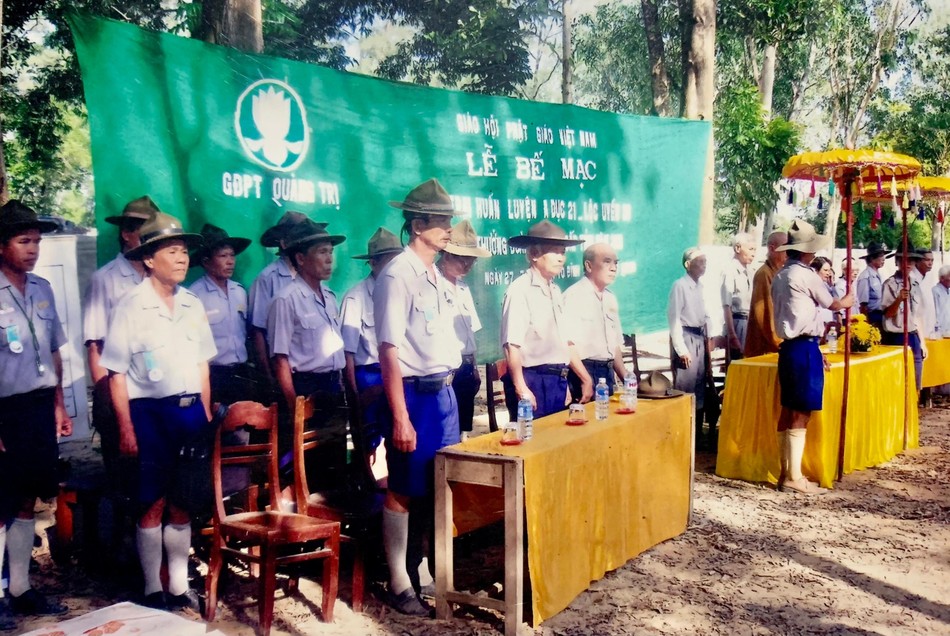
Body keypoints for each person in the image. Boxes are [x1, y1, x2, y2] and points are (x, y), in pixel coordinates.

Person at [99, 210, 215, 611]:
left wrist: (203, 416)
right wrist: (127, 430)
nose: (182, 258)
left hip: (188, 415)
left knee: (183, 502)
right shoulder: (130, 306)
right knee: (151, 501)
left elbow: (203, 364)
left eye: (184, 251)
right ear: (149, 258)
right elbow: (115, 375)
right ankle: (152, 589)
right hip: (148, 416)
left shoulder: (192, 304)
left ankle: (179, 587)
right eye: (172, 251)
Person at [374, 178, 461, 615]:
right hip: (414, 395)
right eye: (441, 220)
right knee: (404, 487)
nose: (449, 227)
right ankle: (398, 581)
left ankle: (426, 571)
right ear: (416, 224)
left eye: (448, 218)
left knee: (437, 484)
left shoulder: (434, 274)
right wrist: (401, 417)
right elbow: (388, 350)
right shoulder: (397, 275)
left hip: (444, 394)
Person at [0, 200, 71, 626]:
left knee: (28, 499)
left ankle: (21, 587)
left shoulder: (42, 288)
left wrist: (60, 404)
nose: (33, 249)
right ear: (1, 246)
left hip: (39, 406)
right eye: (24, 241)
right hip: (4, 410)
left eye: (37, 242)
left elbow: (54, 351)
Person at [771, 220, 853, 495]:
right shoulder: (806, 275)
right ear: (807, 252)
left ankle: (787, 472)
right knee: (800, 412)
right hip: (803, 346)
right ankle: (793, 476)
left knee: (788, 409)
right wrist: (848, 300)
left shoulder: (781, 274)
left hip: (790, 347)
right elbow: (832, 303)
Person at [83, 196, 153, 485]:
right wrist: (106, 399)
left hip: (154, 392)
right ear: (126, 234)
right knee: (124, 478)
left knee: (154, 476)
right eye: (144, 231)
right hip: (119, 392)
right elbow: (94, 343)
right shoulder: (106, 279)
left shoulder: (158, 277)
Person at [266, 220, 347, 448]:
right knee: (309, 462)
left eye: (331, 252)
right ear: (300, 259)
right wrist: (294, 406)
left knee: (335, 457)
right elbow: (280, 359)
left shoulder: (330, 297)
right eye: (322, 252)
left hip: (333, 387)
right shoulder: (285, 299)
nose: (329, 259)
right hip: (305, 388)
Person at [501, 220, 591, 420]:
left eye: (563, 252)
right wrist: (521, 387)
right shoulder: (520, 291)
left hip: (557, 381)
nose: (561, 258)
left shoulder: (555, 291)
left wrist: (583, 379)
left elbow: (565, 343)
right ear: (534, 254)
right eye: (555, 252)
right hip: (533, 381)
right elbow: (511, 345)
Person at [341, 227, 404, 466]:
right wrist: (354, 395)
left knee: (396, 434)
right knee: (367, 437)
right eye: (388, 260)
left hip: (396, 372)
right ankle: (364, 485)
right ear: (373, 263)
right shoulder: (355, 297)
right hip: (367, 376)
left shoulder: (399, 292)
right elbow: (347, 352)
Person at [247, 211, 324, 390]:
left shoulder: (314, 280)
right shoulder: (267, 279)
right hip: (287, 375)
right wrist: (269, 377)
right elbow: (258, 331)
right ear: (284, 243)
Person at [188, 223, 253, 405]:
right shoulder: (196, 295)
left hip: (242, 373)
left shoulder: (239, 291)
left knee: (243, 428)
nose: (230, 261)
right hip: (213, 375)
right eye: (223, 256)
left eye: (232, 255)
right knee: (216, 428)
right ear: (206, 261)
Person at [437, 220, 490, 432]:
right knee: (446, 431)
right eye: (463, 259)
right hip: (446, 371)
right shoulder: (434, 285)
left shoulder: (463, 288)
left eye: (472, 260)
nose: (467, 265)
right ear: (447, 254)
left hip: (466, 368)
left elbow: (470, 333)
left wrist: (474, 367)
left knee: (463, 431)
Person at [563, 242, 626, 401]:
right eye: (607, 261)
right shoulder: (573, 296)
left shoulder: (610, 298)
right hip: (584, 373)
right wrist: (586, 379)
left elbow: (614, 345)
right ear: (589, 266)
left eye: (615, 263)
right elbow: (567, 345)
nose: (613, 268)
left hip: (607, 373)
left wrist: (625, 376)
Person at [668, 247, 713, 448]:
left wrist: (708, 338)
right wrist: (681, 349)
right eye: (700, 261)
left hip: (699, 336)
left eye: (705, 261)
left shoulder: (700, 287)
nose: (704, 265)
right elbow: (674, 318)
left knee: (699, 385)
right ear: (688, 264)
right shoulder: (680, 286)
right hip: (686, 337)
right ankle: (681, 433)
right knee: (685, 387)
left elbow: (705, 314)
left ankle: (696, 434)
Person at [881, 251, 926, 393]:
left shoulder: (915, 284)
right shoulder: (890, 284)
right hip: (896, 336)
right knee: (898, 378)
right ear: (897, 263)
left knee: (916, 376)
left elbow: (917, 316)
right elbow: (888, 313)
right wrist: (899, 299)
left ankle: (914, 407)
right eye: (904, 261)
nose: (908, 264)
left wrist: (922, 342)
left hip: (913, 335)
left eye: (911, 261)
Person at [744, 231, 788, 358]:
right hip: (766, 347)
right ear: (772, 248)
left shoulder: (779, 273)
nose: (788, 253)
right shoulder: (764, 274)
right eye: (785, 248)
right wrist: (781, 343)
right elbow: (765, 314)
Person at [720, 232, 756, 360]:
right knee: (737, 363)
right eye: (750, 249)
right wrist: (731, 334)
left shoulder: (750, 271)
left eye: (755, 249)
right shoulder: (730, 271)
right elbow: (726, 305)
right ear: (738, 248)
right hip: (738, 323)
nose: (753, 253)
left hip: (750, 322)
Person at [856, 241, 891, 329]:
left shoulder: (878, 275)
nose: (883, 259)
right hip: (872, 317)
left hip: (882, 315)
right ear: (872, 258)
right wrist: (866, 325)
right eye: (880, 256)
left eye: (883, 256)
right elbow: (863, 305)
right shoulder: (865, 277)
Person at [810, 256, 839, 335]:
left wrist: (831, 285)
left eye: (829, 270)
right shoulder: (815, 285)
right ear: (816, 270)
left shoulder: (826, 285)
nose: (828, 273)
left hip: (826, 325)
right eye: (825, 270)